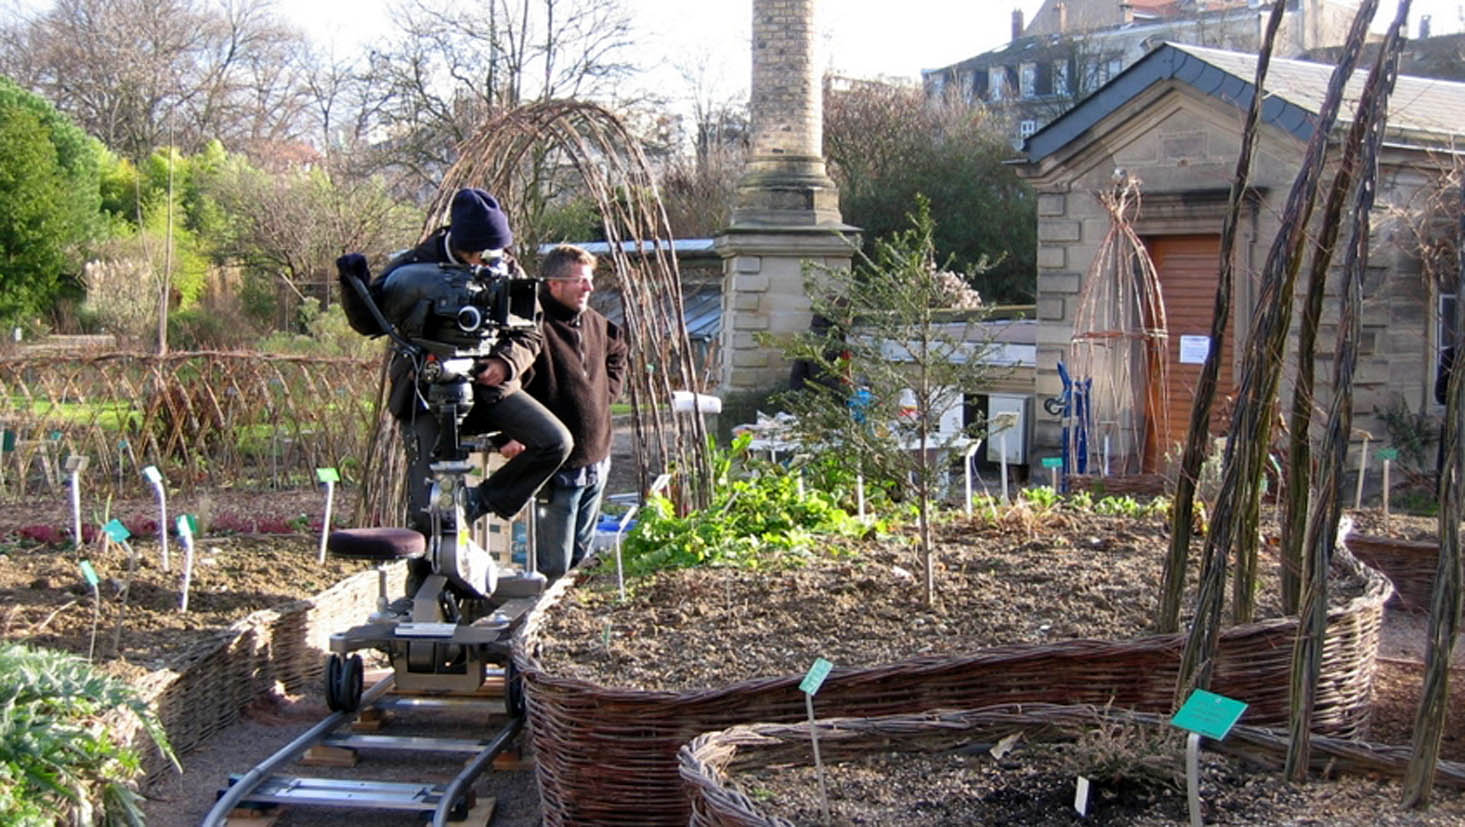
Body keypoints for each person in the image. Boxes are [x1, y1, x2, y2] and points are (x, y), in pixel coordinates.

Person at [341, 188, 572, 537]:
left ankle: (480, 502)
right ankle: (426, 578)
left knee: (555, 442)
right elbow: (368, 323)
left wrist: (504, 364)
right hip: (424, 389)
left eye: (492, 251)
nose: (487, 259)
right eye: (480, 252)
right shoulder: (413, 267)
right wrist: (352, 285)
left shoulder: (505, 266)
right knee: (426, 511)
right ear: (462, 243)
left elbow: (532, 332)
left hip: (489, 386)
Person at [500, 244, 627, 580]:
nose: (589, 288)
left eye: (589, 281)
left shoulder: (596, 323)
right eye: (580, 281)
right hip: (559, 465)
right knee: (553, 563)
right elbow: (505, 385)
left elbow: (619, 351)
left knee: (580, 555)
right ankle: (539, 619)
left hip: (597, 457)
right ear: (554, 284)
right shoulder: (532, 329)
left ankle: (566, 616)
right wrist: (510, 433)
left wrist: (605, 393)